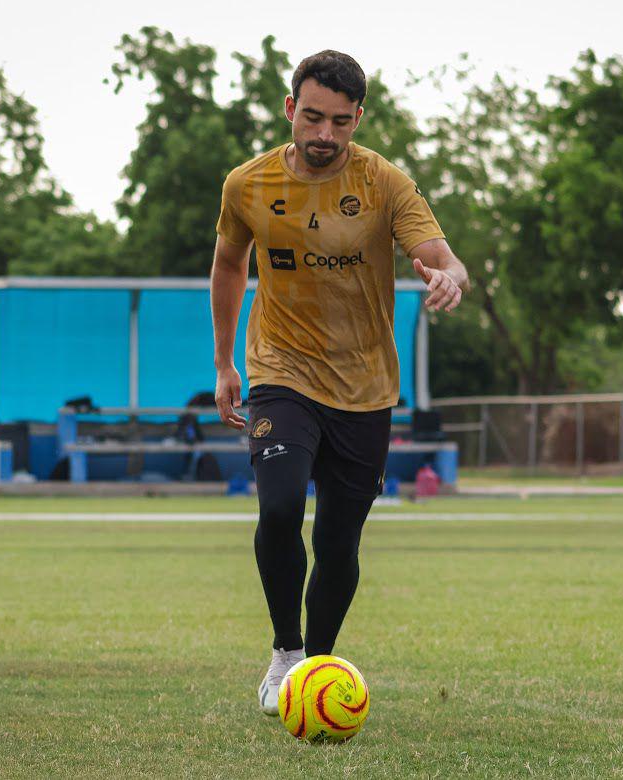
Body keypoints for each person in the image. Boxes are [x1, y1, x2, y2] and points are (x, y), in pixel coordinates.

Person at [209, 50, 469, 714]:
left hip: (364, 385)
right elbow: (230, 264)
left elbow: (444, 260)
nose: (324, 135)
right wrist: (224, 361)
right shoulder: (247, 183)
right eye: (314, 118)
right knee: (278, 506)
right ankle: (286, 653)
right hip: (281, 372)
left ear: (359, 119)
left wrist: (445, 278)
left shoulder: (384, 183)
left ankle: (316, 669)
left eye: (340, 123)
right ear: (291, 109)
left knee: (337, 541)